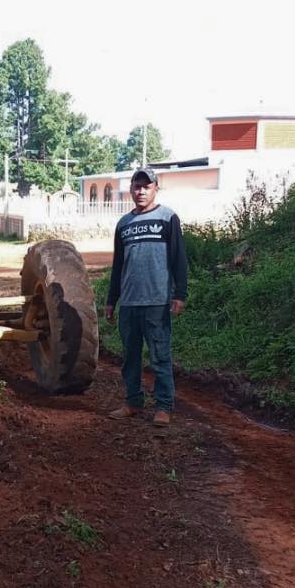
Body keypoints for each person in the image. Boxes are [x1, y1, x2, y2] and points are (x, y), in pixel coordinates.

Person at [103, 166, 188, 427]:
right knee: (130, 357)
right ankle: (132, 401)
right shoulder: (123, 224)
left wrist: (179, 294)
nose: (141, 191)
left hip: (156, 301)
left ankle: (163, 406)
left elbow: (179, 259)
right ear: (130, 190)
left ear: (155, 189)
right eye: (136, 187)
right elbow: (118, 266)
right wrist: (111, 300)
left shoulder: (167, 217)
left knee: (160, 356)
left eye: (146, 186)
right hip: (129, 303)